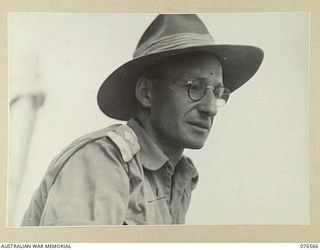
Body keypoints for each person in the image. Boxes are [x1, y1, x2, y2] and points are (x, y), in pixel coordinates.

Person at [21, 14, 263, 226]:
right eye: (196, 87)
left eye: (218, 92)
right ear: (146, 93)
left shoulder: (178, 178)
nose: (211, 108)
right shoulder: (103, 160)